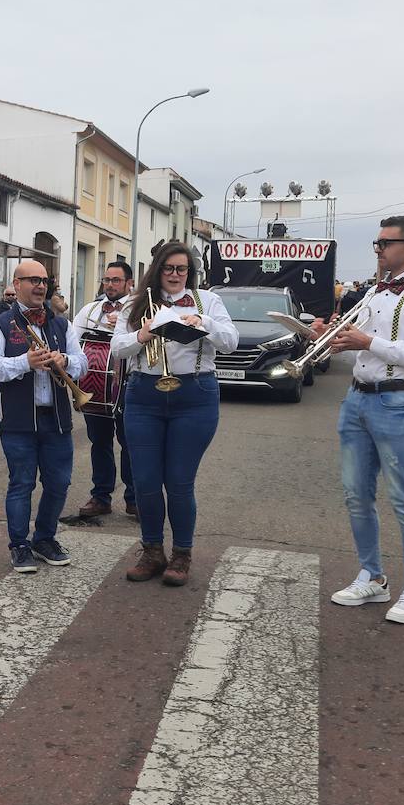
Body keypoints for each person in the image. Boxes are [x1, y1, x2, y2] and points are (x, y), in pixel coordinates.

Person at [319, 216, 404, 626]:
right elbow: (358, 345)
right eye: (376, 244)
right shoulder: (377, 291)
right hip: (358, 399)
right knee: (356, 495)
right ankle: (373, 576)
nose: (377, 250)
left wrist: (367, 341)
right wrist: (329, 336)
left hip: (400, 402)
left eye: (384, 244)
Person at [113, 244, 239, 586]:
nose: (174, 274)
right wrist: (144, 332)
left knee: (180, 482)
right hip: (143, 395)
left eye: (181, 269)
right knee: (146, 482)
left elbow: (231, 342)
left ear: (190, 272)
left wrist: (204, 322)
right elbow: (117, 349)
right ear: (158, 268)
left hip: (194, 396)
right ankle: (152, 550)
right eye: (168, 268)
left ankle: (182, 554)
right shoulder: (136, 302)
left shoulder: (207, 300)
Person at [0, 259, 88, 573]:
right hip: (17, 420)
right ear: (16, 283)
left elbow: (82, 363)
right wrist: (25, 362)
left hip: (56, 417)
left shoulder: (61, 324)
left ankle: (44, 538)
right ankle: (20, 545)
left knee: (59, 483)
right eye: (33, 280)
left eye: (44, 280)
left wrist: (65, 360)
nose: (41, 286)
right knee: (22, 483)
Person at [73, 260, 136, 518]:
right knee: (99, 442)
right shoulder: (90, 310)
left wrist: (124, 325)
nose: (109, 285)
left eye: (116, 280)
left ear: (129, 283)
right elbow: (74, 340)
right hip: (96, 386)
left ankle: (134, 498)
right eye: (107, 280)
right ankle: (101, 497)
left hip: (129, 384)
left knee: (130, 443)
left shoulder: (139, 309)